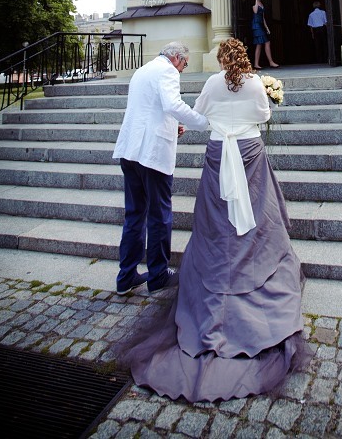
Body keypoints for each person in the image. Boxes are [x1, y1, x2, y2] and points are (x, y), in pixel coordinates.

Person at [126, 38, 308, 402]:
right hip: (248, 151)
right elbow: (263, 116)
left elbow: (202, 115)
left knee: (216, 221)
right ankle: (254, 270)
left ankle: (213, 279)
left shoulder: (211, 83)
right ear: (243, 58)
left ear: (222, 59)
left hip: (218, 151)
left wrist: (214, 121)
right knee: (256, 217)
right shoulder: (257, 84)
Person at [113, 42, 209, 295]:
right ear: (177, 58)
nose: (183, 70)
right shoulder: (167, 71)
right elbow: (172, 105)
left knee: (134, 214)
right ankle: (157, 275)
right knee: (159, 214)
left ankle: (126, 276)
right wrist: (202, 122)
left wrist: (172, 125)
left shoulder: (143, 70)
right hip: (151, 154)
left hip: (130, 149)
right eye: (185, 64)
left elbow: (149, 109)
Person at [251, 0, 279, 70]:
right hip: (256, 25)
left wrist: (267, 28)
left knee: (259, 44)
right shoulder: (254, 2)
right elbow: (255, 11)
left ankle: (256, 64)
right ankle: (270, 62)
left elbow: (263, 17)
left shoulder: (262, 3)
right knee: (266, 43)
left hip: (261, 25)